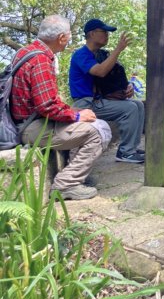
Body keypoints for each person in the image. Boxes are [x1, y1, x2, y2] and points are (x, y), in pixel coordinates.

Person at [10, 15, 103, 200]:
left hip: (25, 120)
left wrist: (72, 111)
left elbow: (44, 101)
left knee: (81, 121)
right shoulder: (41, 60)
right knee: (95, 132)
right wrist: (77, 117)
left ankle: (75, 174)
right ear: (61, 38)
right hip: (32, 127)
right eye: (68, 36)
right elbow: (47, 106)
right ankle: (66, 184)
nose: (69, 40)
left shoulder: (25, 52)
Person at [69, 19, 145, 164]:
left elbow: (112, 78)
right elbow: (101, 71)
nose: (107, 35)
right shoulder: (81, 54)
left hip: (98, 100)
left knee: (138, 105)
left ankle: (131, 149)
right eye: (103, 32)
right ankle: (125, 153)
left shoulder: (100, 54)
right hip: (85, 104)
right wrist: (118, 49)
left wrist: (126, 87)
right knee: (130, 109)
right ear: (91, 34)